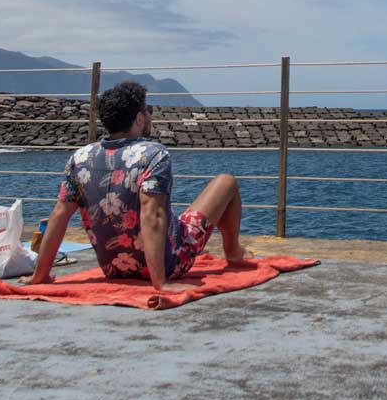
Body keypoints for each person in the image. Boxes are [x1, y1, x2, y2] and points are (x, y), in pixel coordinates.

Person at [29, 80, 244, 290]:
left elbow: (60, 215)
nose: (150, 114)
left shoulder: (80, 158)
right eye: (148, 110)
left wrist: (40, 276)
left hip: (113, 267)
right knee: (226, 182)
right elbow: (153, 215)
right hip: (169, 264)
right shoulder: (153, 154)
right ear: (139, 118)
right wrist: (160, 282)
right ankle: (233, 252)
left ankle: (41, 274)